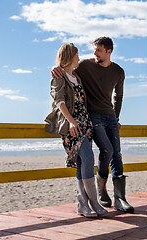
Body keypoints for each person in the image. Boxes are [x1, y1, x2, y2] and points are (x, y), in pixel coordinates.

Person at [52, 37, 134, 213]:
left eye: (98, 50)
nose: (93, 53)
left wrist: (117, 117)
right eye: (94, 50)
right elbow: (63, 77)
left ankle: (118, 199)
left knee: (115, 154)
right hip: (89, 119)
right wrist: (55, 68)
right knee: (103, 152)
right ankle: (98, 193)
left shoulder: (117, 71)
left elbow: (118, 97)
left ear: (108, 51)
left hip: (103, 119)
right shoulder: (84, 66)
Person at [45, 43, 108, 218]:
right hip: (72, 126)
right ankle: (93, 202)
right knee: (88, 158)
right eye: (77, 55)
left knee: (82, 163)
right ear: (70, 56)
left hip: (85, 125)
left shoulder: (76, 77)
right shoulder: (59, 77)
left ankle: (83, 205)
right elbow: (60, 101)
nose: (79, 58)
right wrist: (72, 122)